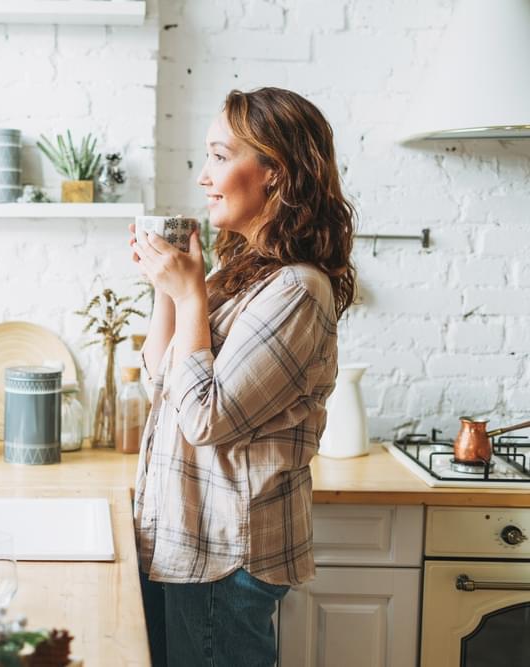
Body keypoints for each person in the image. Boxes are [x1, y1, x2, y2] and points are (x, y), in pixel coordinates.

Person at [129, 87, 356, 667]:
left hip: (226, 556)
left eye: (220, 157)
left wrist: (189, 295)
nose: (204, 176)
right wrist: (170, 291)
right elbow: (161, 383)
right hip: (187, 543)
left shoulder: (297, 290)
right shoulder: (239, 275)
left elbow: (207, 419)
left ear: (275, 173)